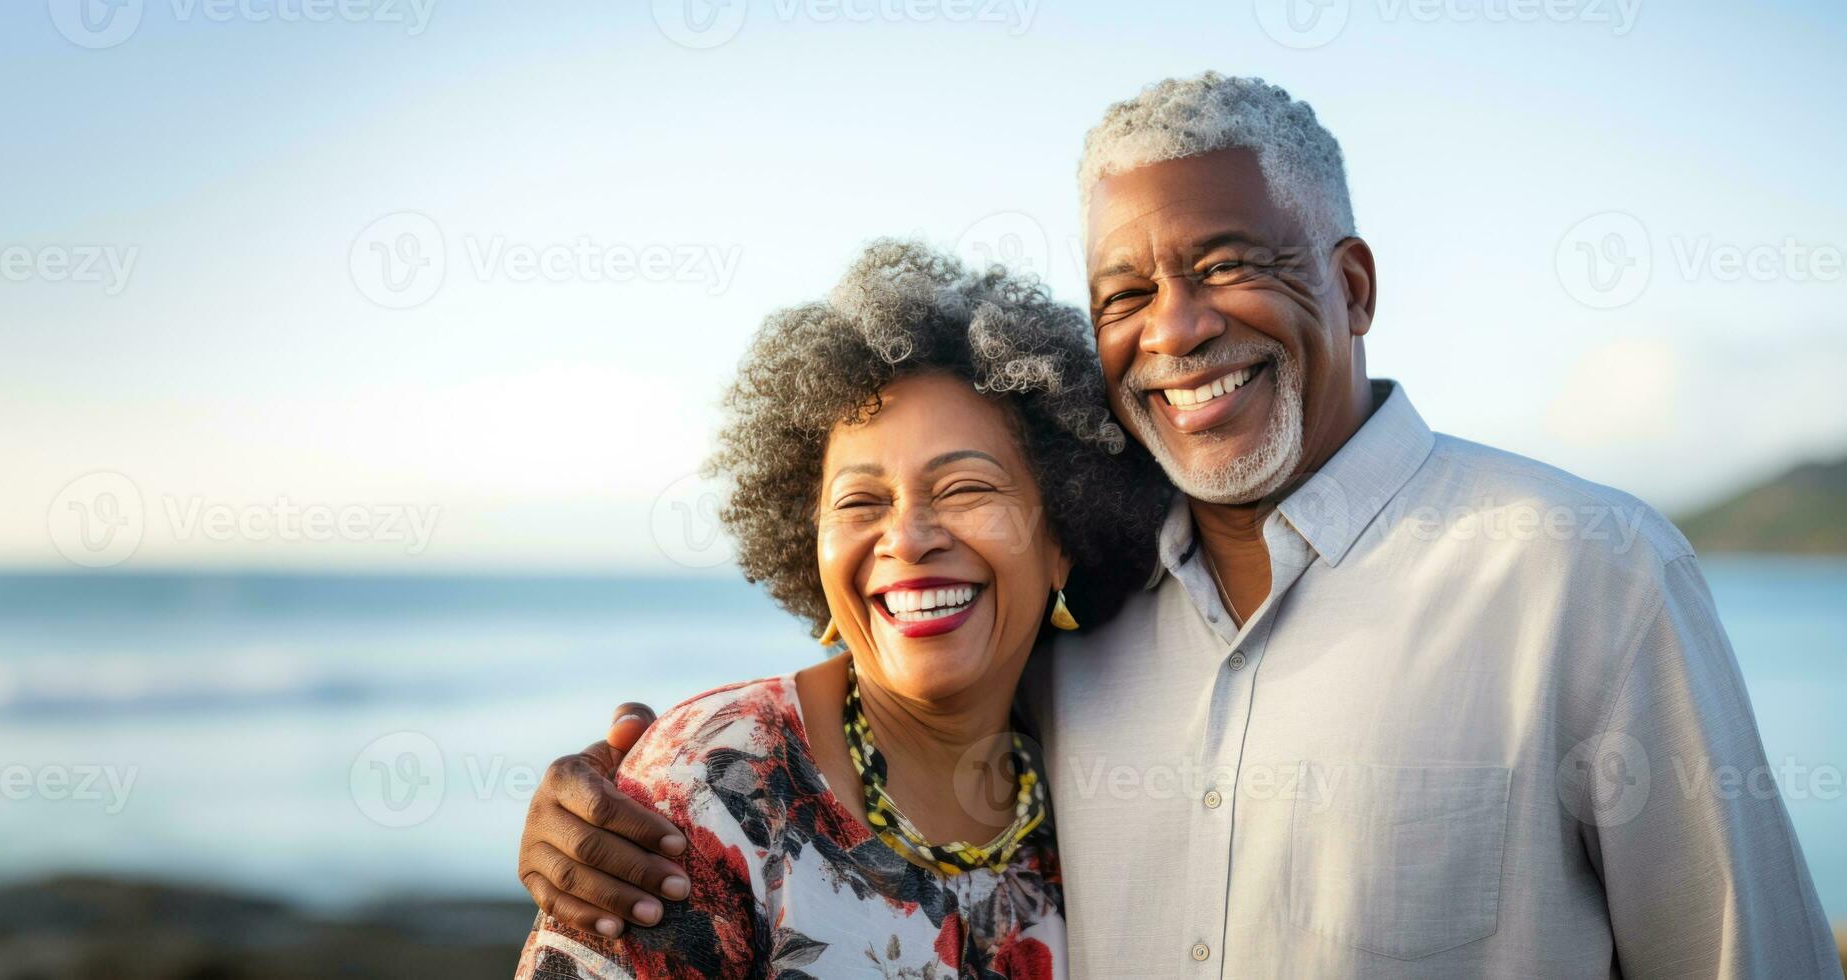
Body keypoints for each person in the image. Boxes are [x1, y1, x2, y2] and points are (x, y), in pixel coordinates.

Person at [514, 74, 1844, 977]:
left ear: (1354, 281)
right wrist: (605, 795)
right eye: (1125, 292)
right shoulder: (1078, 639)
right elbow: (878, 732)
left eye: (1226, 263)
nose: (1177, 327)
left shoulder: (1581, 572)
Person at [516, 241, 1168, 978]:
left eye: (964, 489)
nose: (910, 538)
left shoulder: (1083, 777)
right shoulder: (715, 782)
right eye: (861, 501)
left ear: (1064, 537)